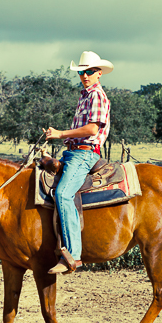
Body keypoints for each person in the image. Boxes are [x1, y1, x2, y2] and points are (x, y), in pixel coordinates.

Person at [43, 51, 113, 274]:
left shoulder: (97, 96)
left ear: (99, 73)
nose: (85, 75)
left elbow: (93, 129)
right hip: (72, 152)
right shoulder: (84, 96)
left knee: (63, 194)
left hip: (85, 154)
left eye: (89, 72)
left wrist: (61, 133)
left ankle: (73, 255)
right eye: (82, 72)